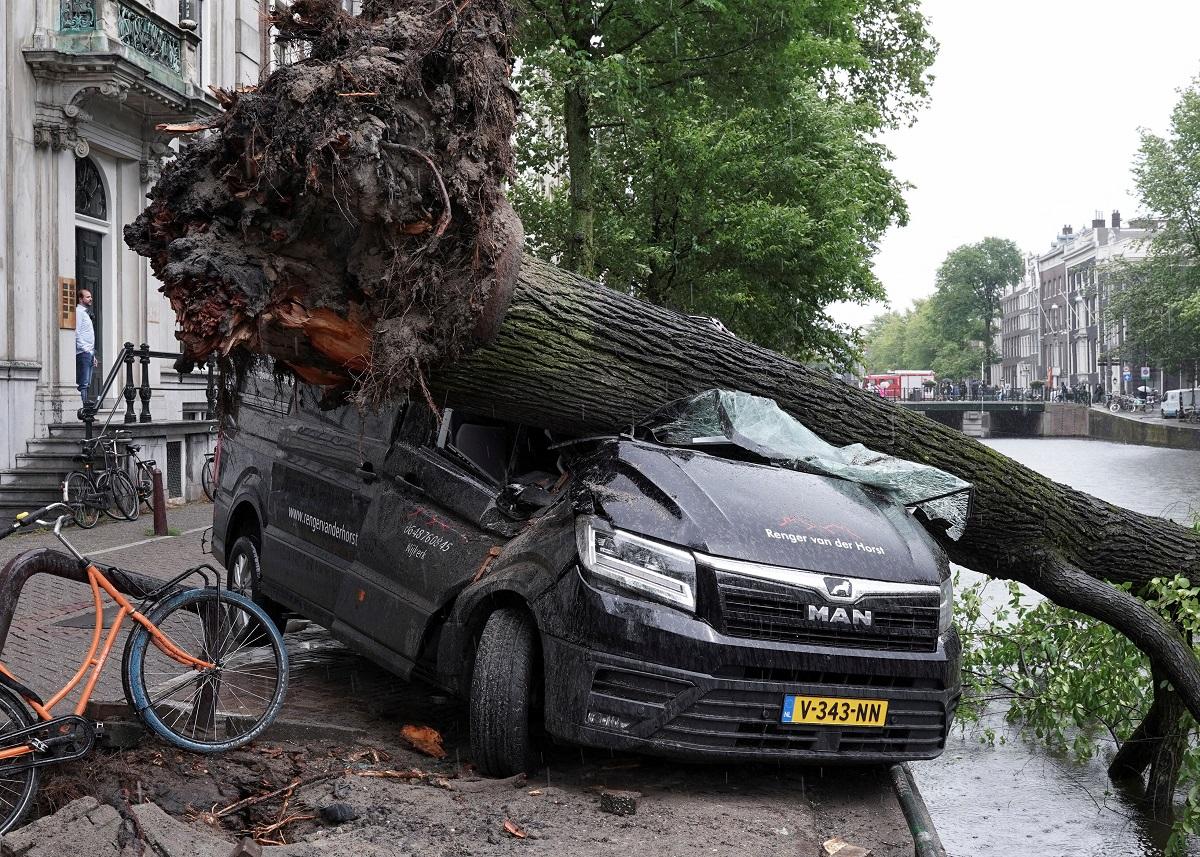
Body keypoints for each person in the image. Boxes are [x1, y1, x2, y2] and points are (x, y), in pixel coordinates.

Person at [75, 289, 97, 406]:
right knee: (83, 382)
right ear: (80, 299)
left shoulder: (85, 313)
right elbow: (77, 333)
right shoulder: (78, 312)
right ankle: (83, 407)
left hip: (89, 353)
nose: (90, 299)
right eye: (87, 297)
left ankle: (85, 408)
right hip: (83, 353)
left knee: (87, 382)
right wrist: (85, 350)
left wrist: (92, 354)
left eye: (90, 296)